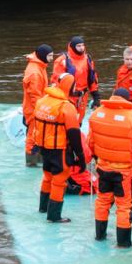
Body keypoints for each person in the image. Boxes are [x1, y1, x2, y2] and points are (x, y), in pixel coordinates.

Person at [88, 88, 132, 247]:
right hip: (124, 171)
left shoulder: (97, 114)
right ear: (127, 99)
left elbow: (90, 142)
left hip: (103, 167)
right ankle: (123, 243)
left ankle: (100, 236)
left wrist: (96, 158)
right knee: (124, 207)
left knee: (102, 202)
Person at [30, 72, 85, 224]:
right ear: (69, 86)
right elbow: (74, 134)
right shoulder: (66, 107)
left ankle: (43, 207)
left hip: (44, 148)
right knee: (59, 181)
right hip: (59, 149)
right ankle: (54, 216)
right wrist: (80, 156)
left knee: (47, 176)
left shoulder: (43, 100)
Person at [22, 44, 53, 166]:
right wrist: (41, 111)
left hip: (34, 106)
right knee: (33, 136)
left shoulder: (39, 65)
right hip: (34, 109)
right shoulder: (35, 72)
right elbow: (34, 95)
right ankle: (31, 162)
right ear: (43, 56)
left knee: (38, 134)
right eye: (50, 56)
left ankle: (38, 159)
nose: (52, 58)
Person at [53, 35, 100, 118]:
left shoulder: (87, 59)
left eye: (82, 45)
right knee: (67, 120)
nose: (81, 48)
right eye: (78, 46)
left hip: (82, 97)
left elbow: (92, 78)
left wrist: (96, 96)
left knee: (79, 121)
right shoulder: (62, 60)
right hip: (68, 97)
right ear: (72, 47)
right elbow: (56, 80)